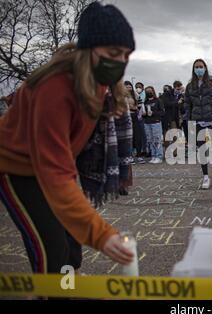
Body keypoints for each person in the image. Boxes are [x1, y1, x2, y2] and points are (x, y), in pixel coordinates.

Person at [0, 2, 135, 274]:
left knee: (71, 248)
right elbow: (55, 173)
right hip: (16, 168)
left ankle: (62, 291)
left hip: (54, 165)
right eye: (112, 52)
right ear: (88, 49)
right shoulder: (55, 88)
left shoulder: (99, 85)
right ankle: (49, 291)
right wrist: (101, 235)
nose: (120, 61)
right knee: (51, 249)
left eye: (126, 55)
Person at [184, 58, 212, 189]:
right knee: (202, 149)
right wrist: (189, 121)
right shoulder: (190, 86)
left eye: (201, 66)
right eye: (196, 67)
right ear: (193, 69)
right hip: (197, 121)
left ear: (205, 68)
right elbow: (187, 105)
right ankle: (206, 177)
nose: (199, 69)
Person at [125, 80, 146, 164]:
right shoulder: (120, 96)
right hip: (125, 118)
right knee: (129, 137)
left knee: (138, 136)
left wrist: (136, 109)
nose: (129, 89)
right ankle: (129, 156)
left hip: (135, 117)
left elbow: (140, 105)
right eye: (127, 87)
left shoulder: (135, 95)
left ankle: (139, 155)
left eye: (130, 87)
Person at [143, 86, 165, 163]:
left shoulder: (158, 100)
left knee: (157, 139)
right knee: (150, 140)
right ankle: (153, 155)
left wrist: (153, 113)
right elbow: (143, 114)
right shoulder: (145, 102)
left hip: (156, 122)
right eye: (147, 91)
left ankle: (159, 156)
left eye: (150, 90)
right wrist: (144, 113)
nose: (149, 92)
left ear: (153, 91)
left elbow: (162, 112)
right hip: (147, 123)